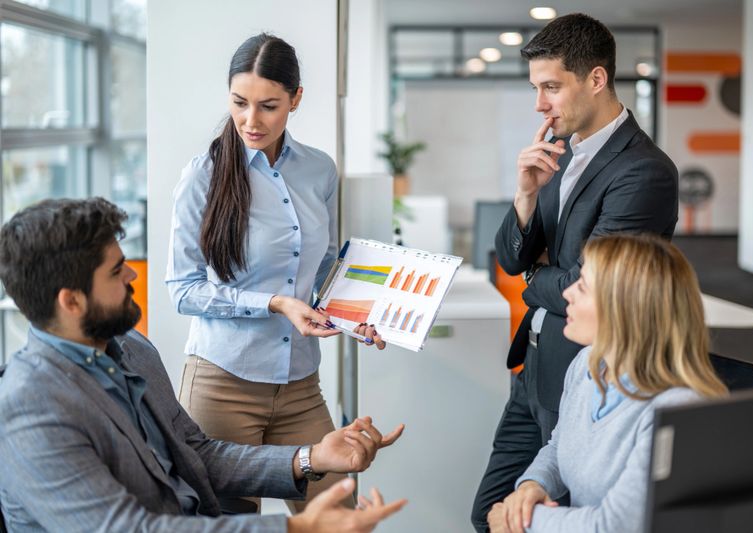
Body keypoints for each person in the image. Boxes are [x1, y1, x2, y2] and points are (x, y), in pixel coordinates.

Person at [0, 198, 405, 532]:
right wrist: (295, 529)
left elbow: (196, 454)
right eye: (115, 271)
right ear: (70, 301)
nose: (130, 276)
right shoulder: (30, 407)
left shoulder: (130, 349)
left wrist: (310, 458)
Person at [472, 13, 679, 530]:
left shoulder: (645, 171)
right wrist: (524, 195)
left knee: (537, 521)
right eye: (535, 88)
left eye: (550, 87)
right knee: (488, 514)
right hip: (535, 371)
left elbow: (594, 290)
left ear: (595, 79)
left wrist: (534, 281)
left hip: (587, 374)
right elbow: (514, 258)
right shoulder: (560, 154)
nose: (540, 104)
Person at [166, 33, 384, 513]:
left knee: (337, 519)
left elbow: (325, 265)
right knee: (233, 524)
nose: (250, 120)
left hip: (301, 386)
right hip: (222, 385)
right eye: (239, 102)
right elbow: (182, 290)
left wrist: (358, 314)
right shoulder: (203, 173)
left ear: (296, 100)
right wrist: (273, 303)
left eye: (268, 105)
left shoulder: (319, 170)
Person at [487, 233, 727, 532]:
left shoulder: (677, 410)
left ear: (624, 310)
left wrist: (522, 521)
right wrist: (531, 486)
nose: (567, 294)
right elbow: (559, 444)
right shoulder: (588, 364)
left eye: (583, 287)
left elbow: (613, 526)